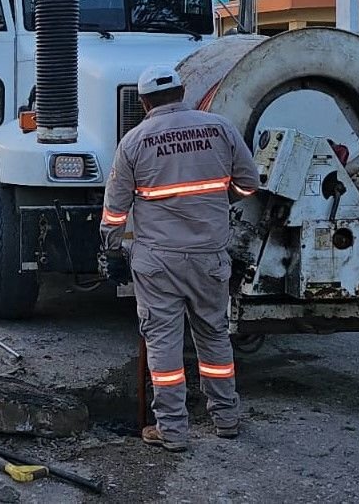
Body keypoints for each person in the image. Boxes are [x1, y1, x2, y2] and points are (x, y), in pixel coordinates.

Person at [99, 65, 259, 453]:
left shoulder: (134, 141)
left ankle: (171, 430)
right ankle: (226, 418)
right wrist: (219, 201)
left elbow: (115, 210)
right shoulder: (219, 128)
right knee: (214, 336)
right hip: (209, 256)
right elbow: (249, 183)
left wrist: (111, 249)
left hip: (158, 261)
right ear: (183, 91)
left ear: (143, 102)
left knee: (163, 342)